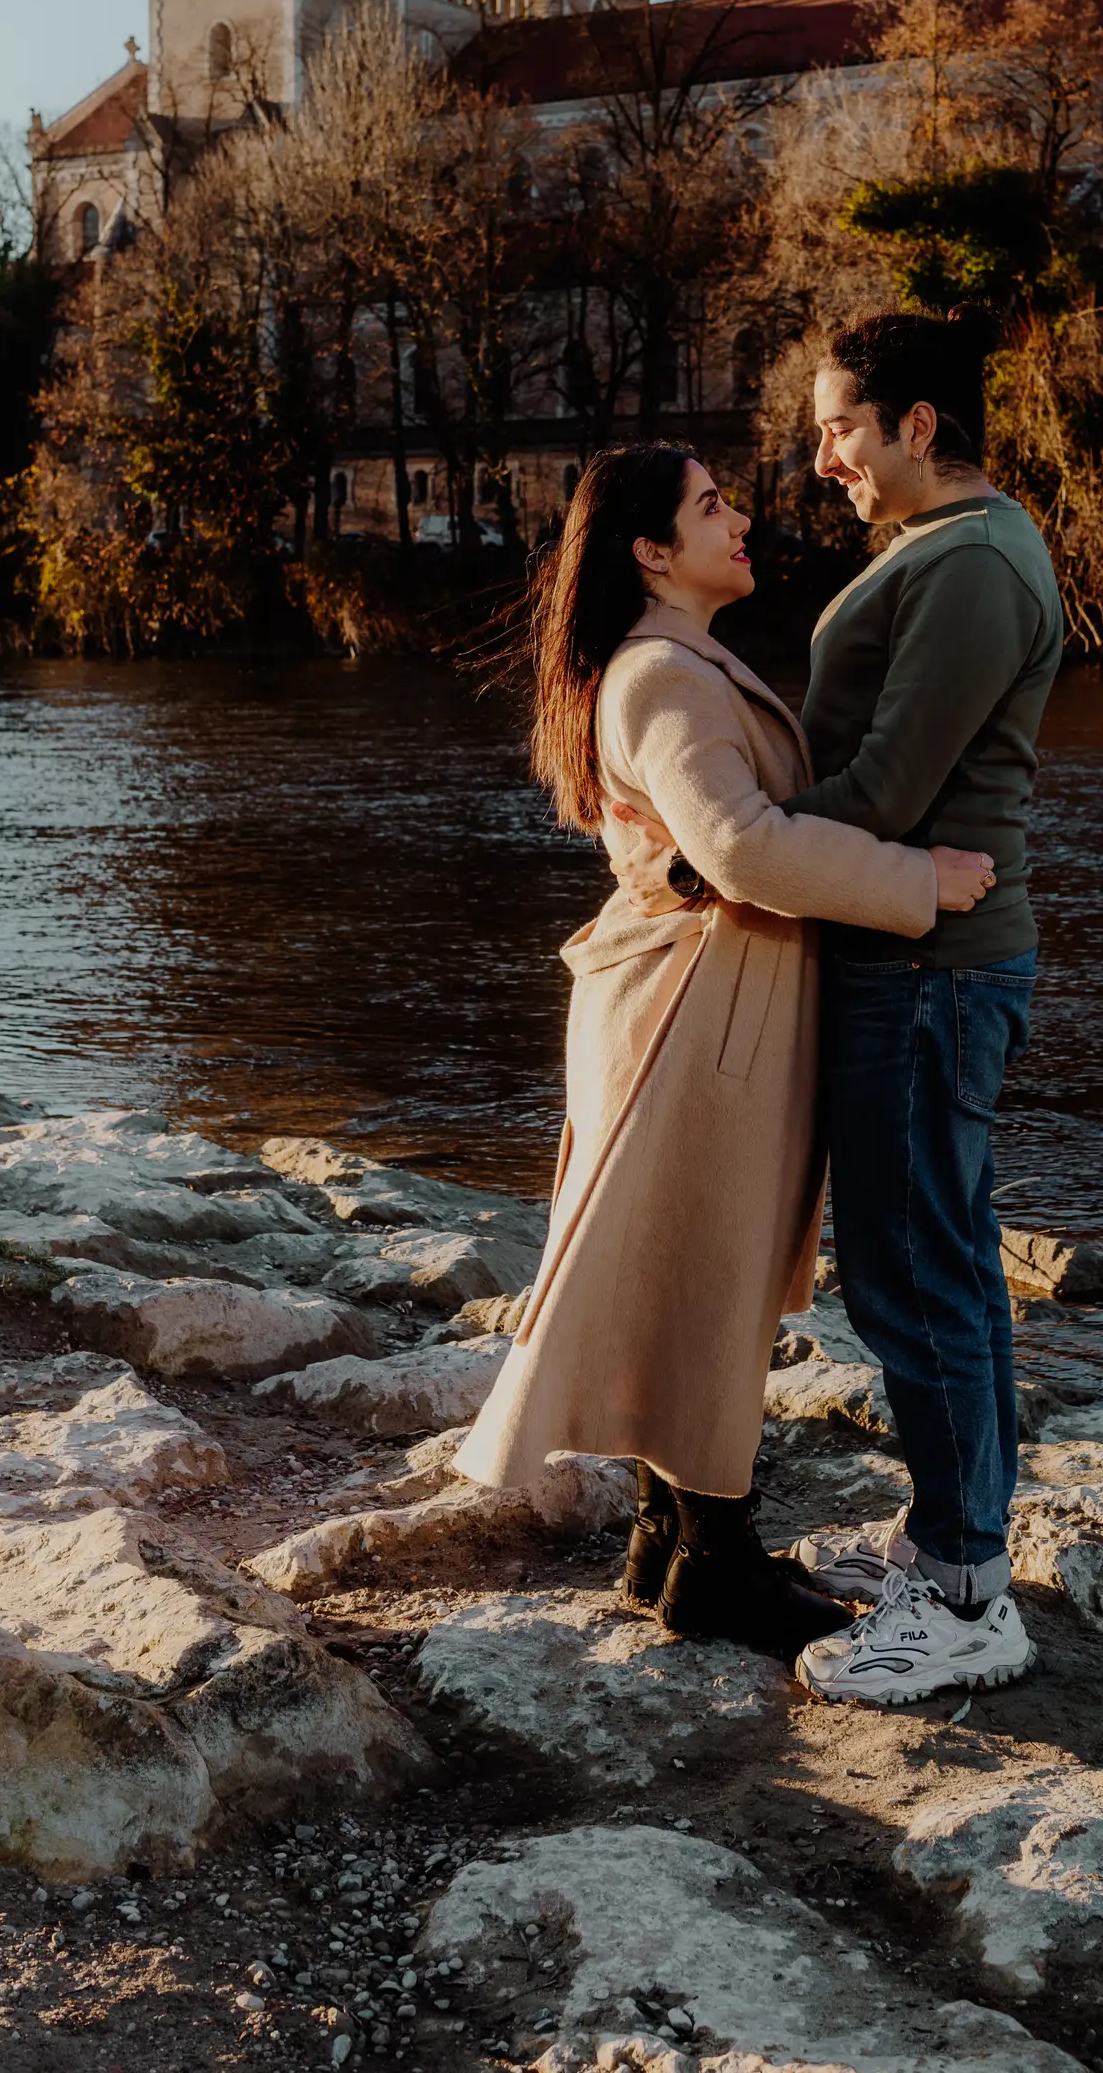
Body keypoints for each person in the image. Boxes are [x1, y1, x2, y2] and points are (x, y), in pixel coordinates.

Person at [455, 441, 997, 1664]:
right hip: (694, 1010)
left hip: (698, 997)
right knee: (704, 1273)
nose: (739, 517)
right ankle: (716, 1564)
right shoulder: (661, 675)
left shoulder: (673, 663)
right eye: (711, 507)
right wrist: (916, 880)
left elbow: (725, 840)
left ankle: (672, 1545)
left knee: (682, 1267)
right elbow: (743, 847)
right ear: (651, 551)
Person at [611, 314, 1064, 1705]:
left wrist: (714, 844)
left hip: (931, 966)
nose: (821, 460)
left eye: (843, 429)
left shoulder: (977, 563)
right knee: (944, 1256)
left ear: (920, 424)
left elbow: (884, 792)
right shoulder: (947, 552)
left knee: (913, 1272)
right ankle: (951, 1546)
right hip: (911, 957)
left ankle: (970, 1598)